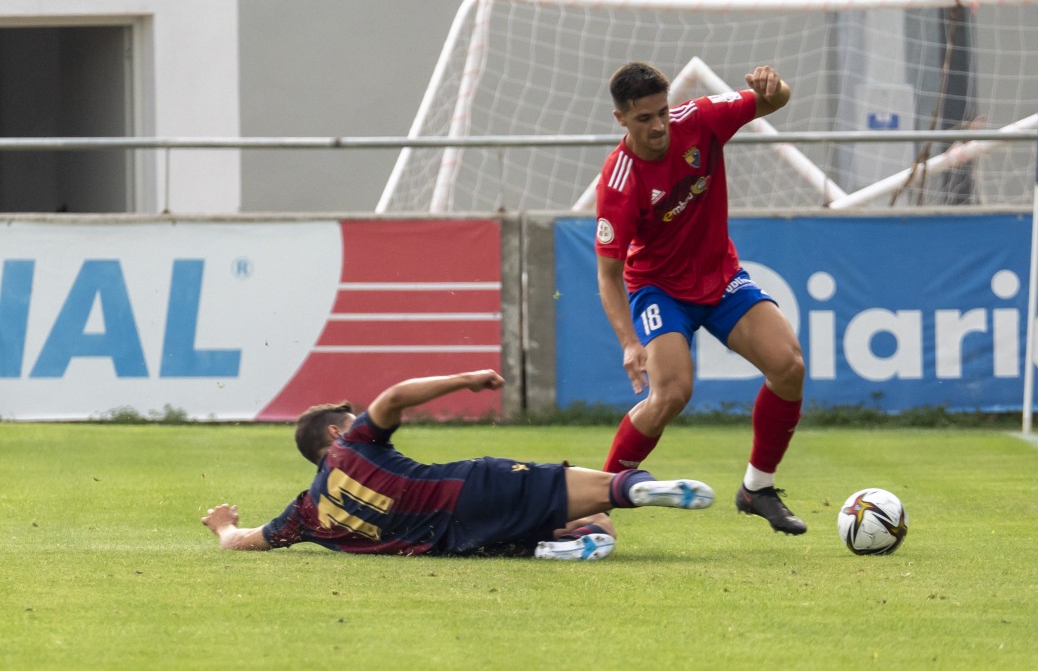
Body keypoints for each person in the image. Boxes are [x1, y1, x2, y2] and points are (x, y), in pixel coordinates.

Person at [594, 61, 807, 535]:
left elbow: (776, 101)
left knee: (789, 365)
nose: (658, 127)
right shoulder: (619, 181)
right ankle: (596, 501)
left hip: (720, 277)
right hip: (660, 288)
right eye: (644, 118)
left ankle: (758, 487)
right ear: (621, 119)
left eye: (661, 113)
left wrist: (776, 86)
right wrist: (630, 343)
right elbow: (608, 274)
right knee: (671, 393)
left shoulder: (701, 119)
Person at [201, 369, 714, 561]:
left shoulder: (309, 512)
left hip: (461, 542)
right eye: (351, 417)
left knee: (597, 527)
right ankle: (641, 487)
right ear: (335, 432)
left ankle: (552, 549)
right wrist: (467, 380)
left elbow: (243, 542)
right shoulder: (351, 443)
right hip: (471, 489)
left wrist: (224, 525)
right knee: (606, 495)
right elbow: (397, 393)